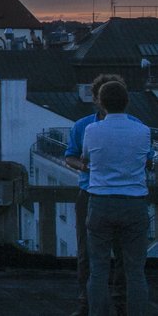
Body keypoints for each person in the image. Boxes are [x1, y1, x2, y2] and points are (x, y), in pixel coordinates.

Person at [63, 74, 132, 316]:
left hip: (110, 194)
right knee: (87, 253)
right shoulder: (83, 126)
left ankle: (117, 302)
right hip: (92, 192)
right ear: (96, 99)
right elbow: (69, 155)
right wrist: (82, 167)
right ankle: (87, 303)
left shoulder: (128, 124)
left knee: (121, 254)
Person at [81, 80, 152, 316]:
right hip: (134, 203)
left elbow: (86, 159)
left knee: (99, 269)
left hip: (101, 202)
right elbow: (147, 161)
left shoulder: (92, 130)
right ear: (127, 102)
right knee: (135, 271)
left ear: (101, 103)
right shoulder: (143, 132)